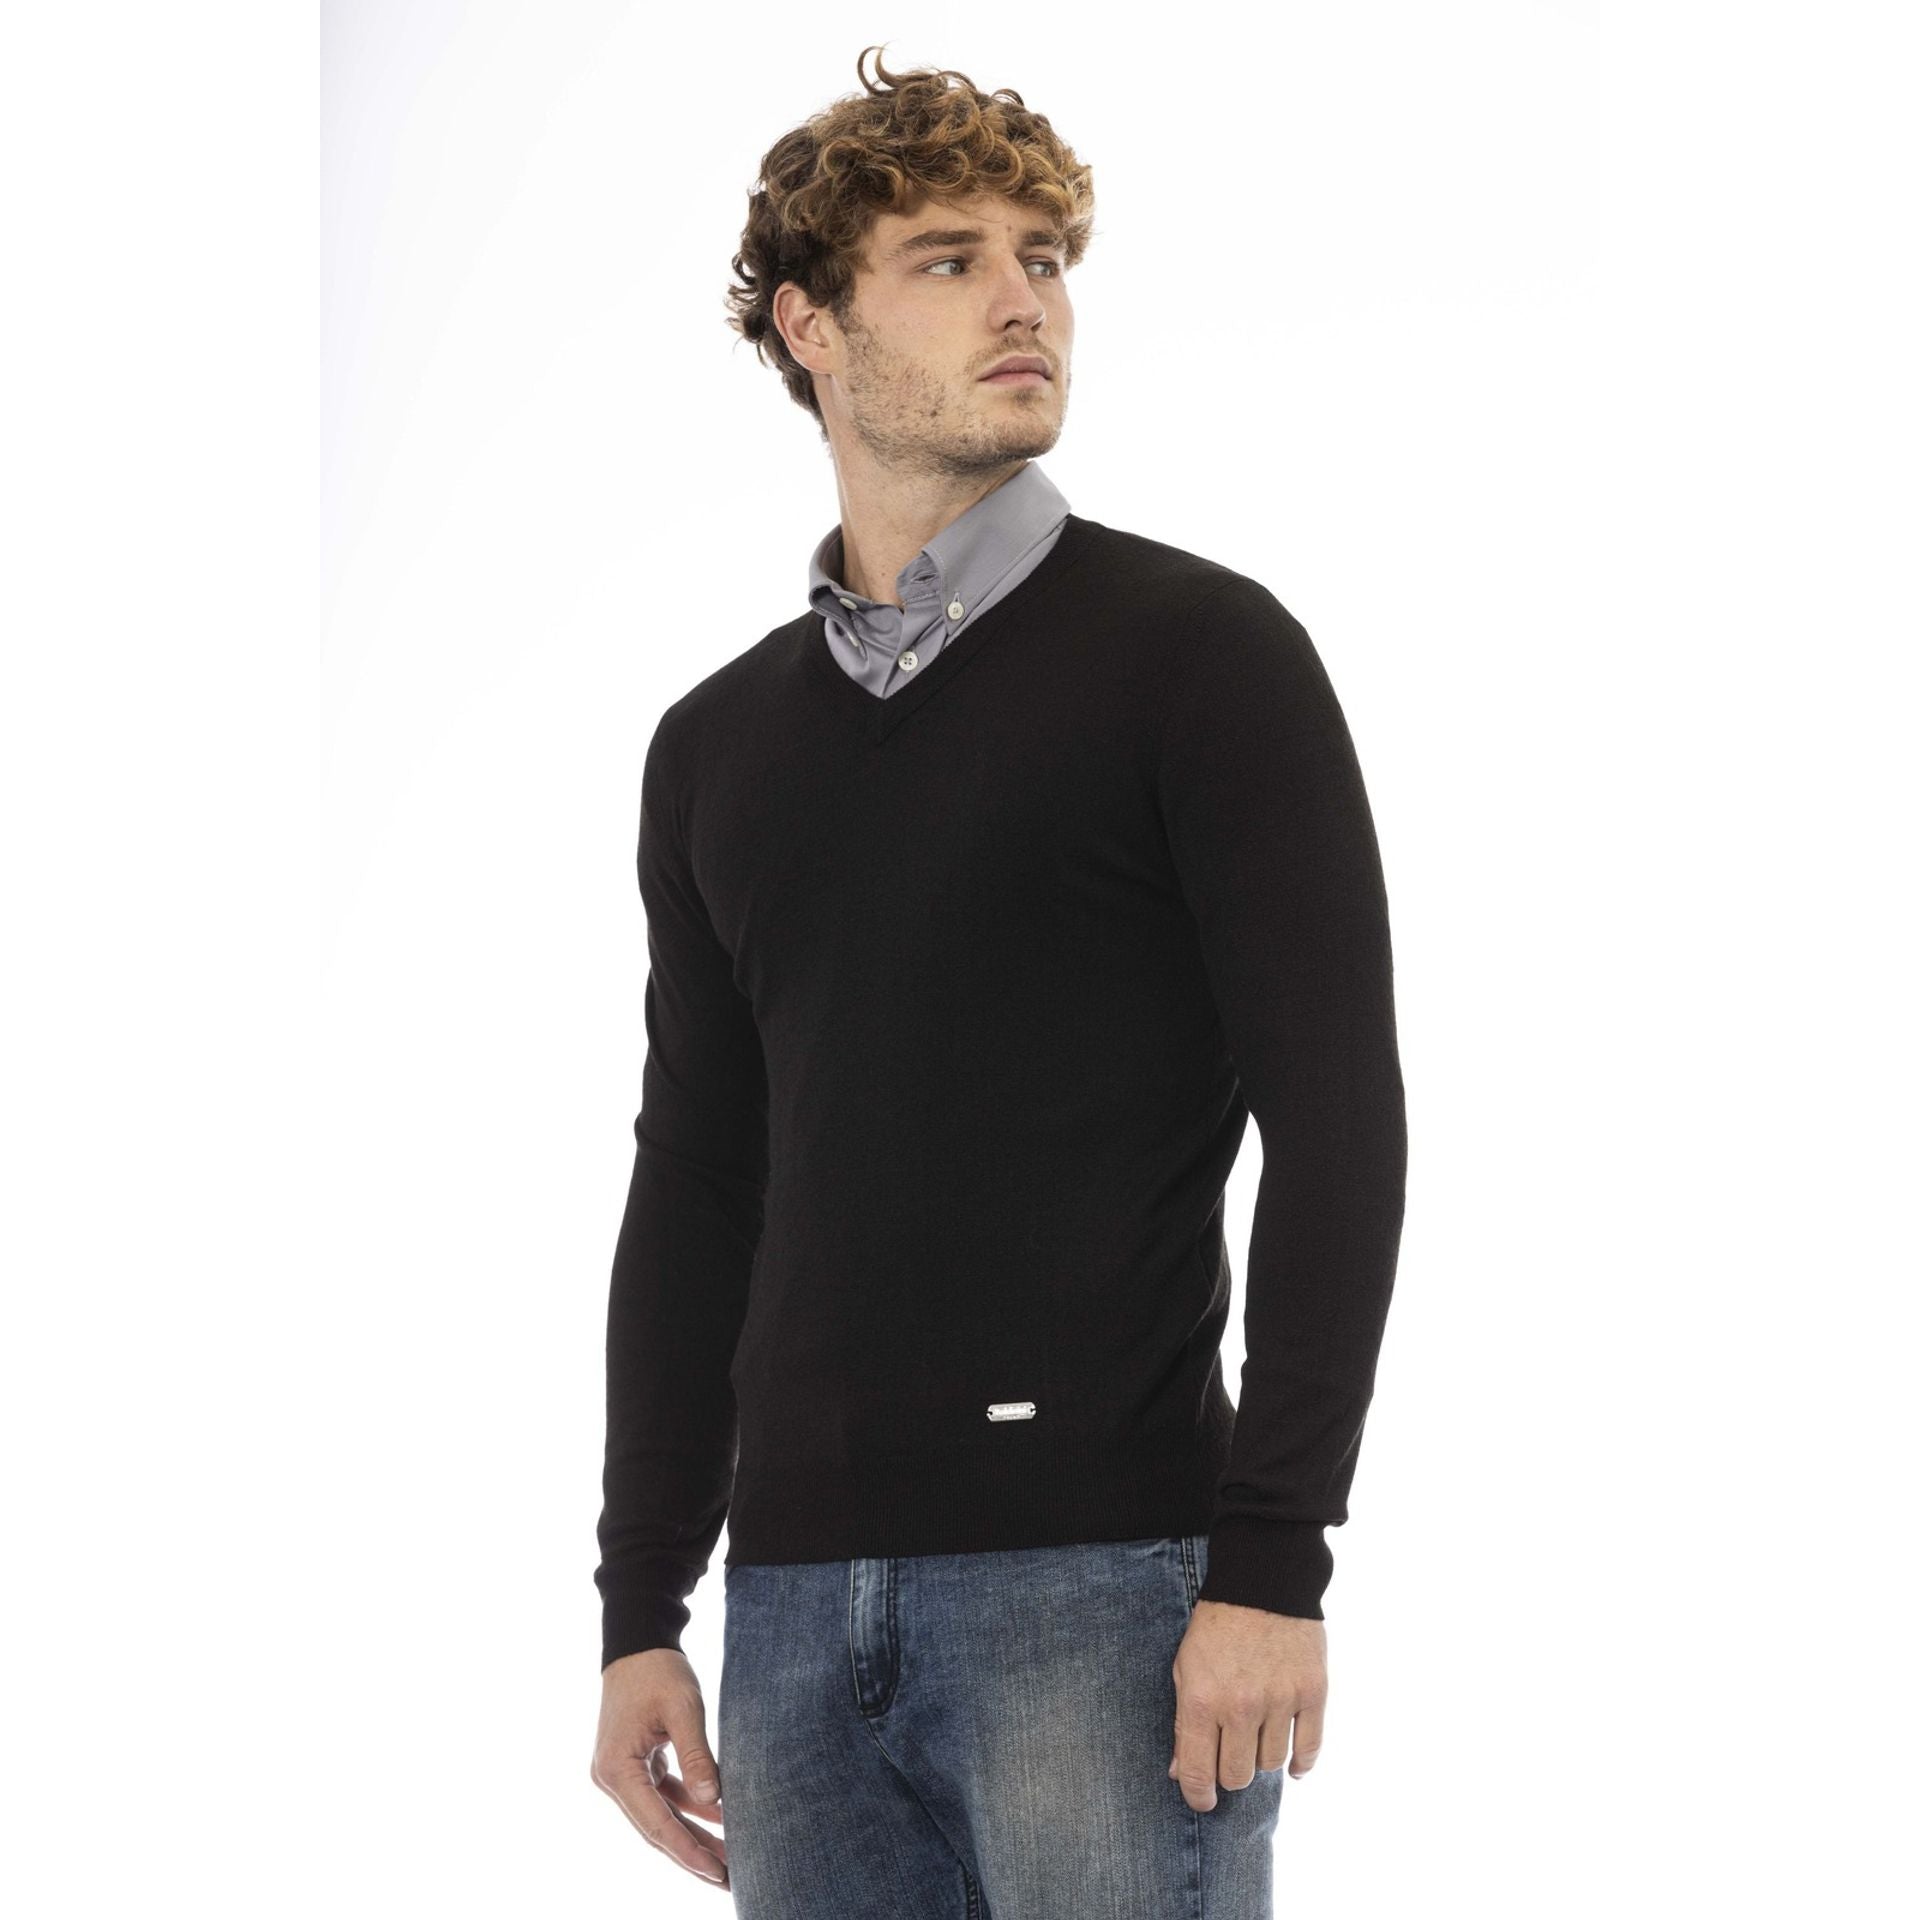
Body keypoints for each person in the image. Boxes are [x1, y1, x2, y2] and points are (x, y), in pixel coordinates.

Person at [588, 45, 1407, 1917]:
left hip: (1107, 1592)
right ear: (810, 327)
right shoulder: (715, 750)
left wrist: (1273, 1561)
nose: (1025, 298)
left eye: (1044, 256)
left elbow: (1339, 1122)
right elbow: (699, 1182)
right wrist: (642, 1604)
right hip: (791, 1624)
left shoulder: (1201, 658)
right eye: (949, 260)